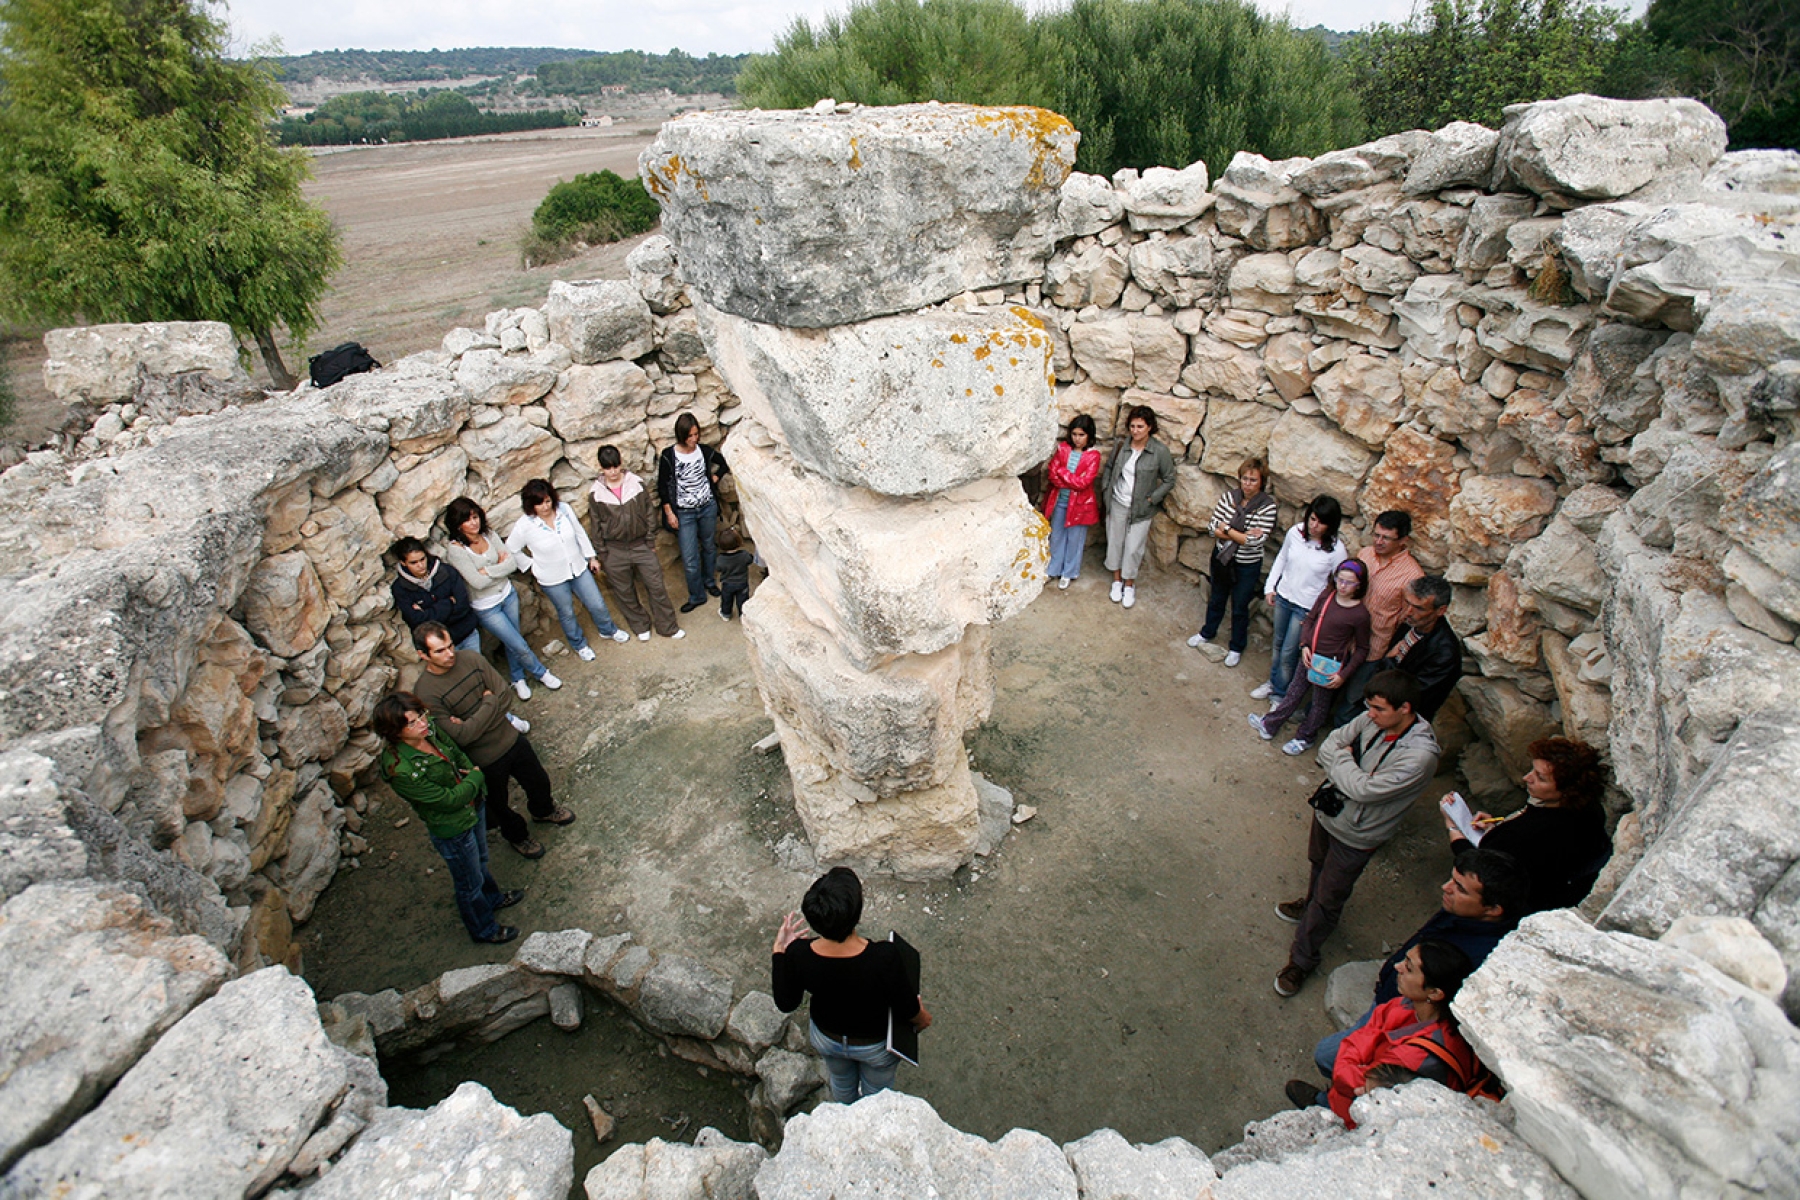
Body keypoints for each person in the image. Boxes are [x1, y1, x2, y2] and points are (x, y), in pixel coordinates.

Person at [1275, 670, 1441, 998]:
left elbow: (1365, 791)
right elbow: (1331, 745)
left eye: (1379, 708)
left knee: (1330, 896)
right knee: (1317, 865)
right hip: (1331, 810)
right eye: (1370, 706)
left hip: (1358, 833)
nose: (1370, 714)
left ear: (1405, 708)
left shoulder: (1419, 756)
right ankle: (1309, 906)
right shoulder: (1371, 718)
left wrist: (1342, 765)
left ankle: (1302, 958)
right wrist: (1346, 764)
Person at [1311, 849, 1526, 1079]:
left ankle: (1329, 1101)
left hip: (1402, 1019)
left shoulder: (1477, 961)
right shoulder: (1466, 913)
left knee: (1329, 1057)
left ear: (1493, 909)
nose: (1446, 887)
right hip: (1391, 1004)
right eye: (1452, 879)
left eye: (1460, 888)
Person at [409, 620, 574, 860]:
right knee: (500, 806)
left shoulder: (471, 659)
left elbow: (505, 696)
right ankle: (518, 837)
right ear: (423, 655)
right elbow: (461, 736)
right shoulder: (426, 693)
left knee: (538, 780)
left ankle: (543, 811)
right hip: (483, 758)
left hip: (510, 738)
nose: (449, 654)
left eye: (450, 645)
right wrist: (488, 702)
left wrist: (472, 720)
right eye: (440, 651)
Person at [771, 867, 932, 1104]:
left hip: (827, 1037)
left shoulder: (798, 954)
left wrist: (779, 952)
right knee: (875, 1096)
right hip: (874, 1045)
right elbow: (907, 1008)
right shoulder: (883, 957)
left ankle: (843, 1112)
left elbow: (786, 1002)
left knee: (841, 1082)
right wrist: (923, 1019)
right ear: (857, 912)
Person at [373, 690, 523, 944]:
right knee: (468, 882)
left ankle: (494, 898)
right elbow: (448, 800)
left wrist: (469, 781)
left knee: (481, 860)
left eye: (421, 715)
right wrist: (475, 777)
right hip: (453, 827)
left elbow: (455, 753)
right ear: (394, 731)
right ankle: (483, 929)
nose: (422, 723)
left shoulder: (428, 731)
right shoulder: (401, 770)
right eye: (412, 723)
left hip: (472, 808)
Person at [1285, 939, 1479, 1128]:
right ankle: (1326, 1101)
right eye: (1405, 960)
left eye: (1409, 968)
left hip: (1361, 1105)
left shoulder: (1419, 1056)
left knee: (1338, 1074)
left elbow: (1353, 1080)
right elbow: (1374, 1024)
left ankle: (1329, 1114)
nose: (1398, 967)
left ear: (1435, 993)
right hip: (1367, 1065)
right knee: (1328, 1055)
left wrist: (1351, 1058)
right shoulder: (1413, 1005)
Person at [1444, 736, 1611, 915]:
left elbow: (1475, 863)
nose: (1527, 778)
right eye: (1533, 770)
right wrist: (1499, 826)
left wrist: (1453, 826)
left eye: (1541, 778)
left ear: (1566, 792)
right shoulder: (1589, 809)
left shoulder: (1527, 835)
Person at [441, 497, 562, 701]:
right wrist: (499, 566)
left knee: (512, 639)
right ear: (457, 525)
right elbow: (476, 582)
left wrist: (487, 570)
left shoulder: (488, 534)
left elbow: (512, 564)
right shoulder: (457, 550)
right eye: (467, 520)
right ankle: (541, 673)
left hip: (508, 595)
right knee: (518, 643)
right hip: (487, 606)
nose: (474, 522)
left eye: (475, 516)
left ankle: (517, 677)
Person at [1251, 560, 1371, 756]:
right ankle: (1270, 724)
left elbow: (1362, 648)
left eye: (1349, 583)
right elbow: (1310, 620)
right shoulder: (1328, 596)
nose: (1343, 585)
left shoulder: (1360, 615)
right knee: (1293, 693)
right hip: (1310, 656)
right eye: (1340, 580)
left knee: (1319, 704)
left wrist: (1344, 674)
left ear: (1360, 585)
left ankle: (1305, 737)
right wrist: (1305, 644)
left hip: (1330, 666)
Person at [505, 478, 629, 662]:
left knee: (596, 603)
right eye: (539, 503)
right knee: (567, 613)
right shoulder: (525, 525)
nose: (545, 507)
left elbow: (579, 533)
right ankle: (579, 644)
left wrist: (591, 557)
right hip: (552, 578)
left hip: (578, 567)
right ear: (531, 505)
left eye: (547, 501)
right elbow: (511, 548)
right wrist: (531, 566)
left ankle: (608, 630)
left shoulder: (563, 510)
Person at [1329, 511, 1424, 728]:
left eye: (1386, 538)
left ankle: (1339, 736)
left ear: (1403, 540)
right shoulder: (1365, 555)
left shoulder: (1412, 576)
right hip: (1344, 636)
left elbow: (1404, 618)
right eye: (1377, 535)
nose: (1379, 542)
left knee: (1354, 696)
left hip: (1373, 646)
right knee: (1330, 681)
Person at [1256, 495, 1349, 703]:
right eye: (1312, 519)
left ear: (1331, 525)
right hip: (1284, 597)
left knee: (1290, 652)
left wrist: (1318, 613)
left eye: (1321, 522)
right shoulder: (1295, 533)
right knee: (1278, 643)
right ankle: (1273, 682)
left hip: (1306, 608)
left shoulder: (1336, 550)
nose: (1315, 526)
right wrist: (1271, 587)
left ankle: (1280, 695)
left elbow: (1336, 584)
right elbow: (1282, 557)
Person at [1189, 457, 1279, 668]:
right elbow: (1212, 527)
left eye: (1253, 480)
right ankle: (1207, 632)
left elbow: (1253, 541)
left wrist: (1227, 529)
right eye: (1244, 479)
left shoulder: (1267, 507)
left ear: (1261, 482)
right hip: (1222, 558)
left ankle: (1236, 646)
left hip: (1247, 564)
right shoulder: (1230, 497)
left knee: (1240, 605)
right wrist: (1239, 533)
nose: (1247, 484)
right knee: (1217, 598)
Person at [589, 445, 684, 643]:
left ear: (620, 464)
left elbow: (649, 512)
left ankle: (667, 627)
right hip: (614, 549)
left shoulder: (636, 484)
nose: (613, 472)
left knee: (656, 586)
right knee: (624, 592)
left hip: (640, 544)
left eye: (615, 466)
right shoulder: (596, 493)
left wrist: (650, 539)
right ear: (601, 468)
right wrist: (602, 553)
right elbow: (595, 524)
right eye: (608, 468)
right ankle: (640, 625)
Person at [1097, 404, 1175, 610]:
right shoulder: (1122, 446)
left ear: (1150, 427)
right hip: (1118, 502)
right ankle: (1116, 580)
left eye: (1140, 426)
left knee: (1133, 548)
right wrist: (1107, 490)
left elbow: (1169, 479)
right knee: (1115, 542)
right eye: (1132, 426)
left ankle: (1129, 584)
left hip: (1142, 508)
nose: (1135, 431)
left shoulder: (1159, 451)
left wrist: (1152, 499)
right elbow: (1110, 468)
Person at [657, 412, 731, 615]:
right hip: (684, 512)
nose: (693, 439)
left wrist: (716, 476)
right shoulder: (669, 455)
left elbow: (723, 461)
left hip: (707, 506)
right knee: (690, 558)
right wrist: (669, 513)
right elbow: (662, 487)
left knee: (708, 546)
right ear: (680, 436)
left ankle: (709, 581)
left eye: (696, 434)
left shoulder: (704, 451)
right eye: (689, 436)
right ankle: (697, 595)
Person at [1369, 575, 1463, 721]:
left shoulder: (1444, 653)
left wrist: (1389, 661)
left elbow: (1412, 693)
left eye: (1419, 608)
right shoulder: (1412, 623)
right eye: (1408, 603)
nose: (1408, 612)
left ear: (1440, 610)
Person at [389, 537, 479, 653]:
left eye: (422, 559)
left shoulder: (447, 572)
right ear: (403, 563)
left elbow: (463, 606)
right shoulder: (401, 588)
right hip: (437, 647)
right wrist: (449, 603)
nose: (420, 565)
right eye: (414, 562)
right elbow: (417, 622)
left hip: (466, 632)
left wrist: (429, 614)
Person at [1042, 414, 1101, 590]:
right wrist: (1069, 478)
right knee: (1057, 536)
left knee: (1075, 539)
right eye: (1074, 434)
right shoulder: (1063, 449)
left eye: (1081, 435)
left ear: (1089, 435)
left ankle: (1069, 572)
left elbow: (1083, 483)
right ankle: (1053, 569)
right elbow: (1052, 475)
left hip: (1080, 505)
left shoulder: (1093, 456)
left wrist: (1062, 472)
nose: (1077, 438)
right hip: (1060, 500)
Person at [717, 527, 754, 621]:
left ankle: (726, 614)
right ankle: (743, 616)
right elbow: (750, 560)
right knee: (743, 600)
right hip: (742, 583)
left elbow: (718, 568)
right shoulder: (744, 555)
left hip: (728, 584)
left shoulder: (721, 559)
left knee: (726, 600)